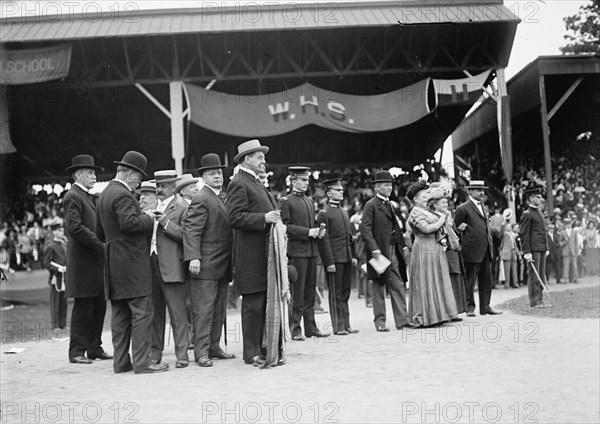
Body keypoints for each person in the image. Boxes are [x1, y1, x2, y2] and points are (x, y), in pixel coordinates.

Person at [96, 151, 169, 374]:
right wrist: (149, 216)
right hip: (132, 263)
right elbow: (129, 224)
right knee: (141, 313)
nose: (139, 181)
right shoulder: (124, 195)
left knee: (120, 316)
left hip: (113, 263)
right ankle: (142, 362)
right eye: (138, 176)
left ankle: (121, 362)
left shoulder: (105, 194)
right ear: (128, 173)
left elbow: (99, 233)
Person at [226, 139, 282, 366]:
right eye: (259, 157)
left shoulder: (254, 182)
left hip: (262, 254)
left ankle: (263, 346)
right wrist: (264, 218)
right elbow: (234, 217)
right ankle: (251, 352)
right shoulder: (239, 183)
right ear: (246, 159)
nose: (264, 161)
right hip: (250, 257)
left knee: (262, 303)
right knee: (253, 305)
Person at [183, 154, 235, 368]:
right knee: (203, 310)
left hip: (221, 264)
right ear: (203, 176)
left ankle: (213, 347)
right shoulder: (201, 198)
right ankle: (201, 352)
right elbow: (192, 231)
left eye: (219, 173)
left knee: (218, 309)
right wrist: (193, 257)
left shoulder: (219, 197)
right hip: (205, 264)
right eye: (212, 173)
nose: (217, 176)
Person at [63, 154, 111, 365]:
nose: (94, 176)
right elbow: (74, 228)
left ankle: (94, 347)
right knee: (83, 307)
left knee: (98, 305)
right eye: (90, 173)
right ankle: (76, 351)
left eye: (94, 173)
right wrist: (99, 244)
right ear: (78, 175)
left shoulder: (88, 197)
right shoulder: (72, 196)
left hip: (94, 262)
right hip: (83, 262)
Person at [278, 166, 328, 340]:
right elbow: (286, 227)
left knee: (309, 292)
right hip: (297, 252)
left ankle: (311, 327)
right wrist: (308, 232)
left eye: (307, 180)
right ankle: (296, 328)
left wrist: (317, 232)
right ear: (293, 181)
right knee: (297, 293)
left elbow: (310, 225)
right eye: (303, 180)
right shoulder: (286, 201)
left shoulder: (309, 201)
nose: (307, 183)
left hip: (311, 251)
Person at [147, 170, 190, 369]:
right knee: (155, 314)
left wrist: (165, 222)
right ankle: (155, 354)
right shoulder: (150, 206)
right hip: (151, 264)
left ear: (174, 187)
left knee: (177, 313)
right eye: (158, 185)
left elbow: (186, 236)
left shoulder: (183, 207)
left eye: (163, 186)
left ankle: (182, 355)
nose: (159, 189)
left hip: (172, 265)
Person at [360, 170, 410, 332]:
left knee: (398, 284)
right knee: (378, 287)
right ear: (376, 188)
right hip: (380, 251)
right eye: (386, 185)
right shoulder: (371, 205)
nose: (389, 188)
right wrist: (374, 249)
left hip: (392, 249)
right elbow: (365, 229)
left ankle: (402, 320)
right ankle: (380, 321)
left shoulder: (388, 204)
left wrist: (401, 245)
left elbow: (395, 228)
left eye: (390, 185)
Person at [406, 180, 458, 327]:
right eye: (423, 197)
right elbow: (427, 229)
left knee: (435, 280)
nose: (425, 199)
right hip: (423, 248)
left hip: (433, 247)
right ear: (415, 199)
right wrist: (442, 220)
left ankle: (437, 315)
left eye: (426, 196)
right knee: (426, 280)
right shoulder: (415, 212)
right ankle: (426, 316)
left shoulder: (425, 211)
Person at [453, 180, 502, 317]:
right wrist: (461, 233)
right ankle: (469, 307)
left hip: (486, 248)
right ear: (470, 192)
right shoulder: (462, 208)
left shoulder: (483, 207)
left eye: (483, 190)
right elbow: (455, 229)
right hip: (471, 249)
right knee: (470, 279)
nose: (482, 193)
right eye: (478, 190)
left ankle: (485, 306)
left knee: (487, 279)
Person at [317, 177, 359, 336]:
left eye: (341, 190)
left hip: (347, 258)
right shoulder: (324, 213)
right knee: (336, 293)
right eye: (337, 190)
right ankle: (338, 326)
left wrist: (353, 255)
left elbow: (350, 237)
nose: (341, 192)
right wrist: (329, 262)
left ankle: (346, 324)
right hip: (334, 259)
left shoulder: (343, 211)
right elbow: (324, 240)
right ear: (328, 193)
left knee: (345, 292)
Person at [429, 181, 468, 315]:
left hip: (452, 253)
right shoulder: (433, 218)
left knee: (454, 281)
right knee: (446, 282)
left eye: (446, 202)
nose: (446, 205)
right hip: (443, 253)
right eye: (443, 203)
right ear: (434, 204)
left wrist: (458, 231)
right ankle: (447, 312)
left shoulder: (447, 217)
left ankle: (455, 311)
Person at [518, 187, 550, 307]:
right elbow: (524, 234)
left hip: (541, 248)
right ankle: (535, 301)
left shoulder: (538, 212)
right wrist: (526, 251)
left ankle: (540, 299)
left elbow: (543, 232)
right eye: (538, 197)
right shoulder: (527, 214)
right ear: (531, 198)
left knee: (541, 275)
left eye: (540, 197)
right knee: (534, 276)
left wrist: (546, 248)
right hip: (533, 249)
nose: (540, 199)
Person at [43, 221, 68, 333]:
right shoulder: (50, 246)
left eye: (62, 230)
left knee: (64, 302)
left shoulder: (64, 245)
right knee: (55, 302)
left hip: (64, 277)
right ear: (54, 232)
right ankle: (55, 325)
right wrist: (58, 269)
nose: (62, 232)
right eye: (59, 230)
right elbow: (47, 263)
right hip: (55, 278)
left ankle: (63, 324)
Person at [559, 217, 579, 283]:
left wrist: (577, 250)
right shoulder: (562, 232)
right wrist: (564, 243)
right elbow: (560, 242)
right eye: (567, 224)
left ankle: (575, 278)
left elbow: (576, 242)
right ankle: (565, 279)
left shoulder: (574, 231)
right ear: (565, 225)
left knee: (574, 266)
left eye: (570, 224)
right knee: (566, 266)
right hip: (566, 251)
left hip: (573, 251)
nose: (569, 225)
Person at [499, 223, 519, 288]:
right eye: (508, 227)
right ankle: (507, 284)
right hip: (507, 253)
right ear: (505, 228)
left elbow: (515, 245)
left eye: (510, 227)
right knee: (507, 270)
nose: (509, 228)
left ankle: (515, 283)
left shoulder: (513, 234)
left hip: (513, 253)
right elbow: (501, 233)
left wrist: (518, 254)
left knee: (514, 269)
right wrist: (503, 223)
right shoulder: (504, 234)